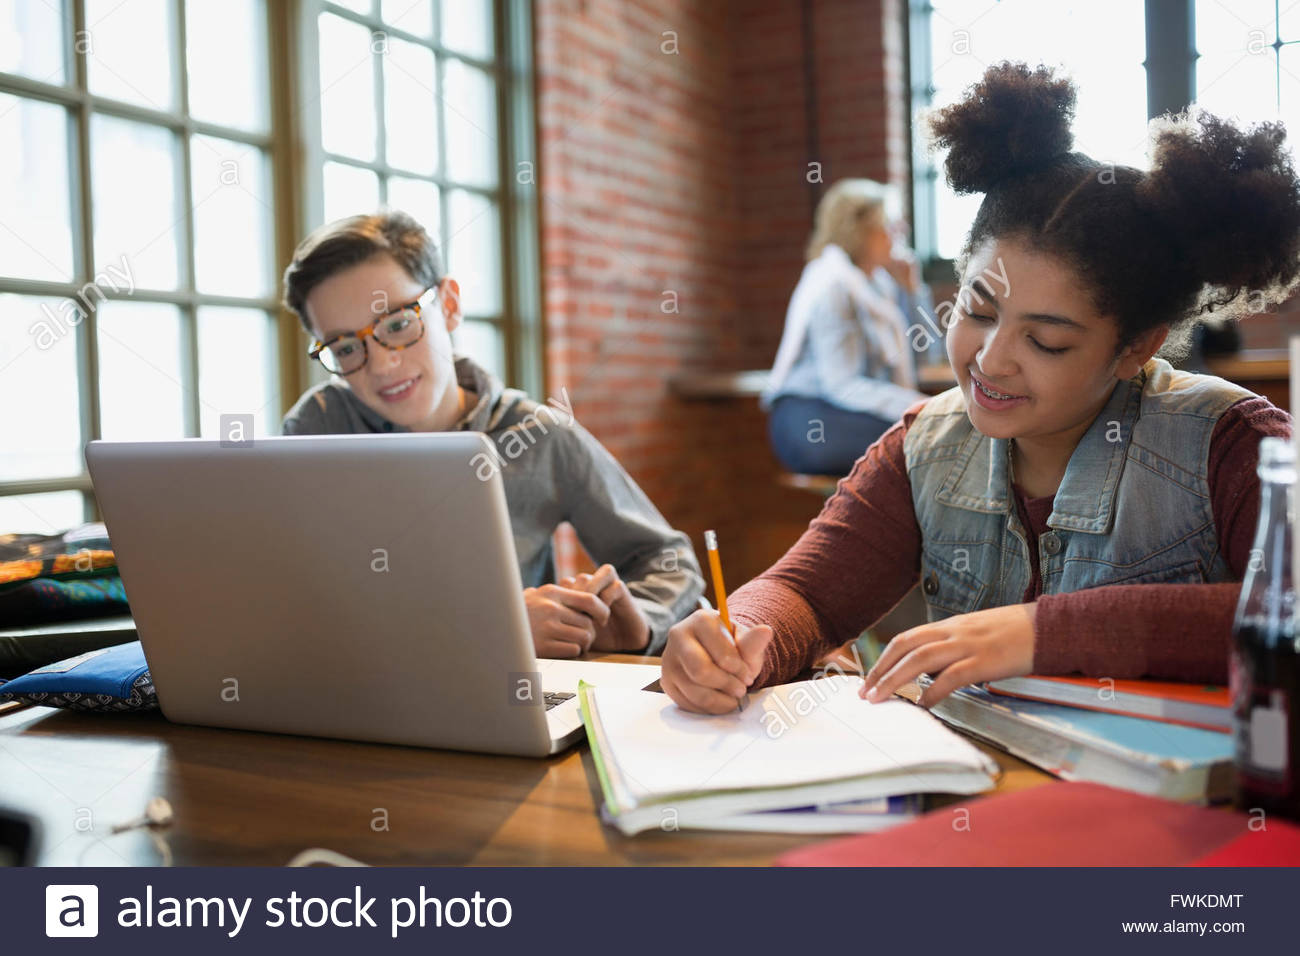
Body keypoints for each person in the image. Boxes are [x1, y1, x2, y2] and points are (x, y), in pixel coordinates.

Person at [660, 61, 1300, 713]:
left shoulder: (1231, 444)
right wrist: (734, 638)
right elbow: (808, 596)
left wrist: (1043, 633)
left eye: (1046, 341)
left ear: (1138, 346)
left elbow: (1292, 614)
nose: (990, 362)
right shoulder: (926, 446)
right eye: (978, 312)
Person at [280, 211, 704, 657]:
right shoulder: (317, 431)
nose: (382, 364)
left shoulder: (537, 434)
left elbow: (669, 561)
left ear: (448, 305)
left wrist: (635, 626)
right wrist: (499, 627)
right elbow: (300, 595)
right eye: (346, 348)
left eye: (399, 323)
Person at [763, 178, 930, 475]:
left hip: (844, 409)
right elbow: (841, 385)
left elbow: (924, 356)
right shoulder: (833, 284)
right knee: (927, 436)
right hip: (809, 416)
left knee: (931, 433)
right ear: (861, 231)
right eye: (891, 223)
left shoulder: (880, 289)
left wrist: (913, 291)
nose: (901, 230)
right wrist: (919, 407)